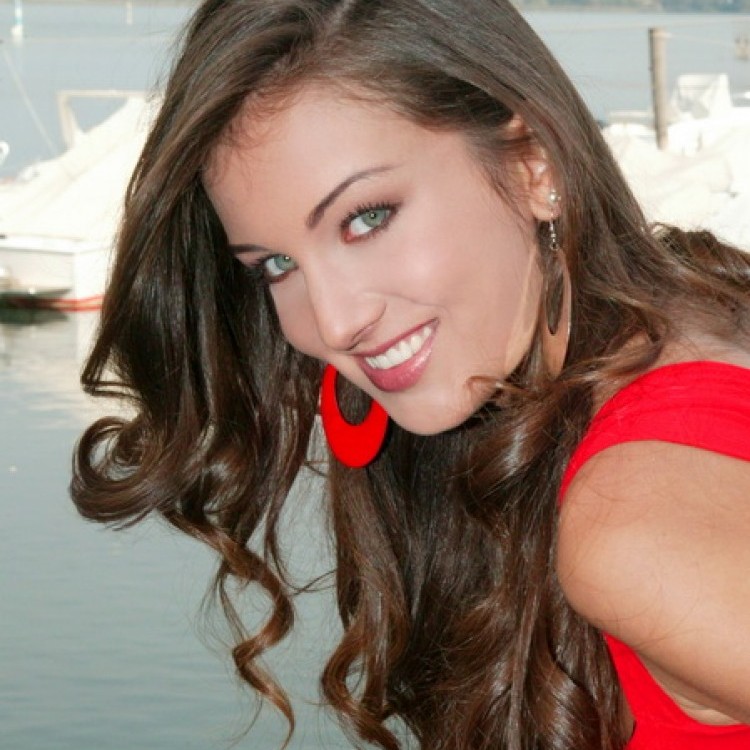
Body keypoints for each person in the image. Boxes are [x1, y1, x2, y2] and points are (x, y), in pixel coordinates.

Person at [70, 1, 750, 748]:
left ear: (534, 165)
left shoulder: (633, 534)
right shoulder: (697, 320)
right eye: (278, 265)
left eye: (367, 218)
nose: (334, 323)